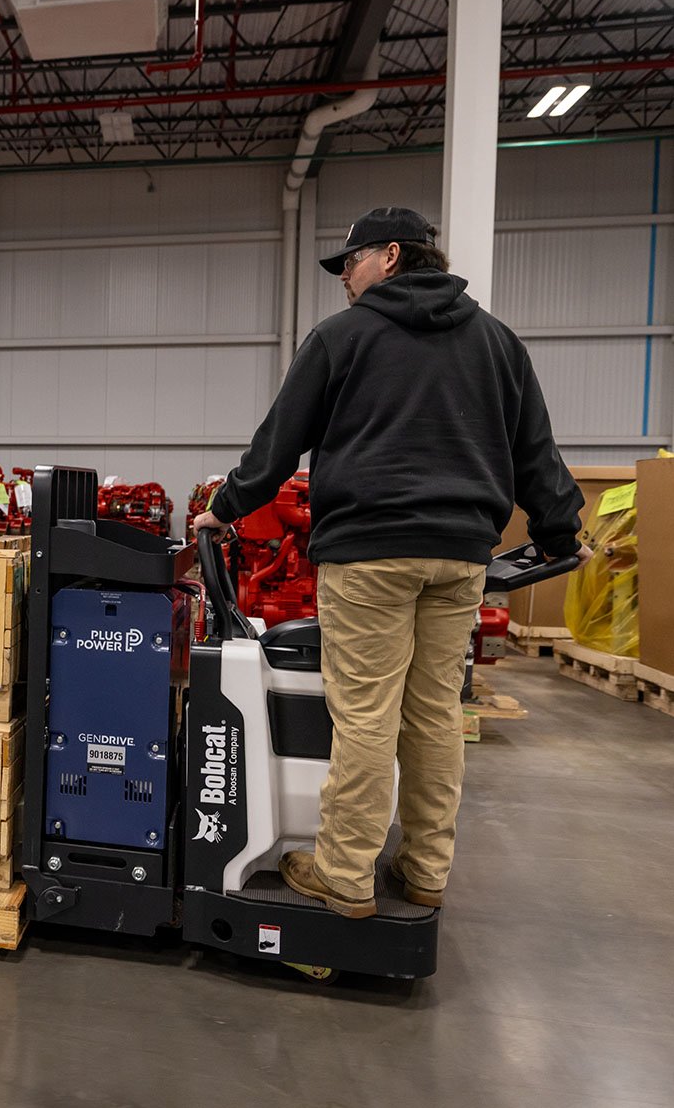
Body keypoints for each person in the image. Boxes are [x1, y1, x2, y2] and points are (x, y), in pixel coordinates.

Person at [192, 206, 593, 919]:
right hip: (460, 556)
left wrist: (223, 509)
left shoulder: (342, 339)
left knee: (366, 716)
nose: (343, 279)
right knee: (436, 713)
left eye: (348, 263)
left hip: (369, 553)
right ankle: (425, 869)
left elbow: (277, 443)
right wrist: (561, 534)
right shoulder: (498, 343)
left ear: (391, 256)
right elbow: (538, 453)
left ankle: (345, 874)